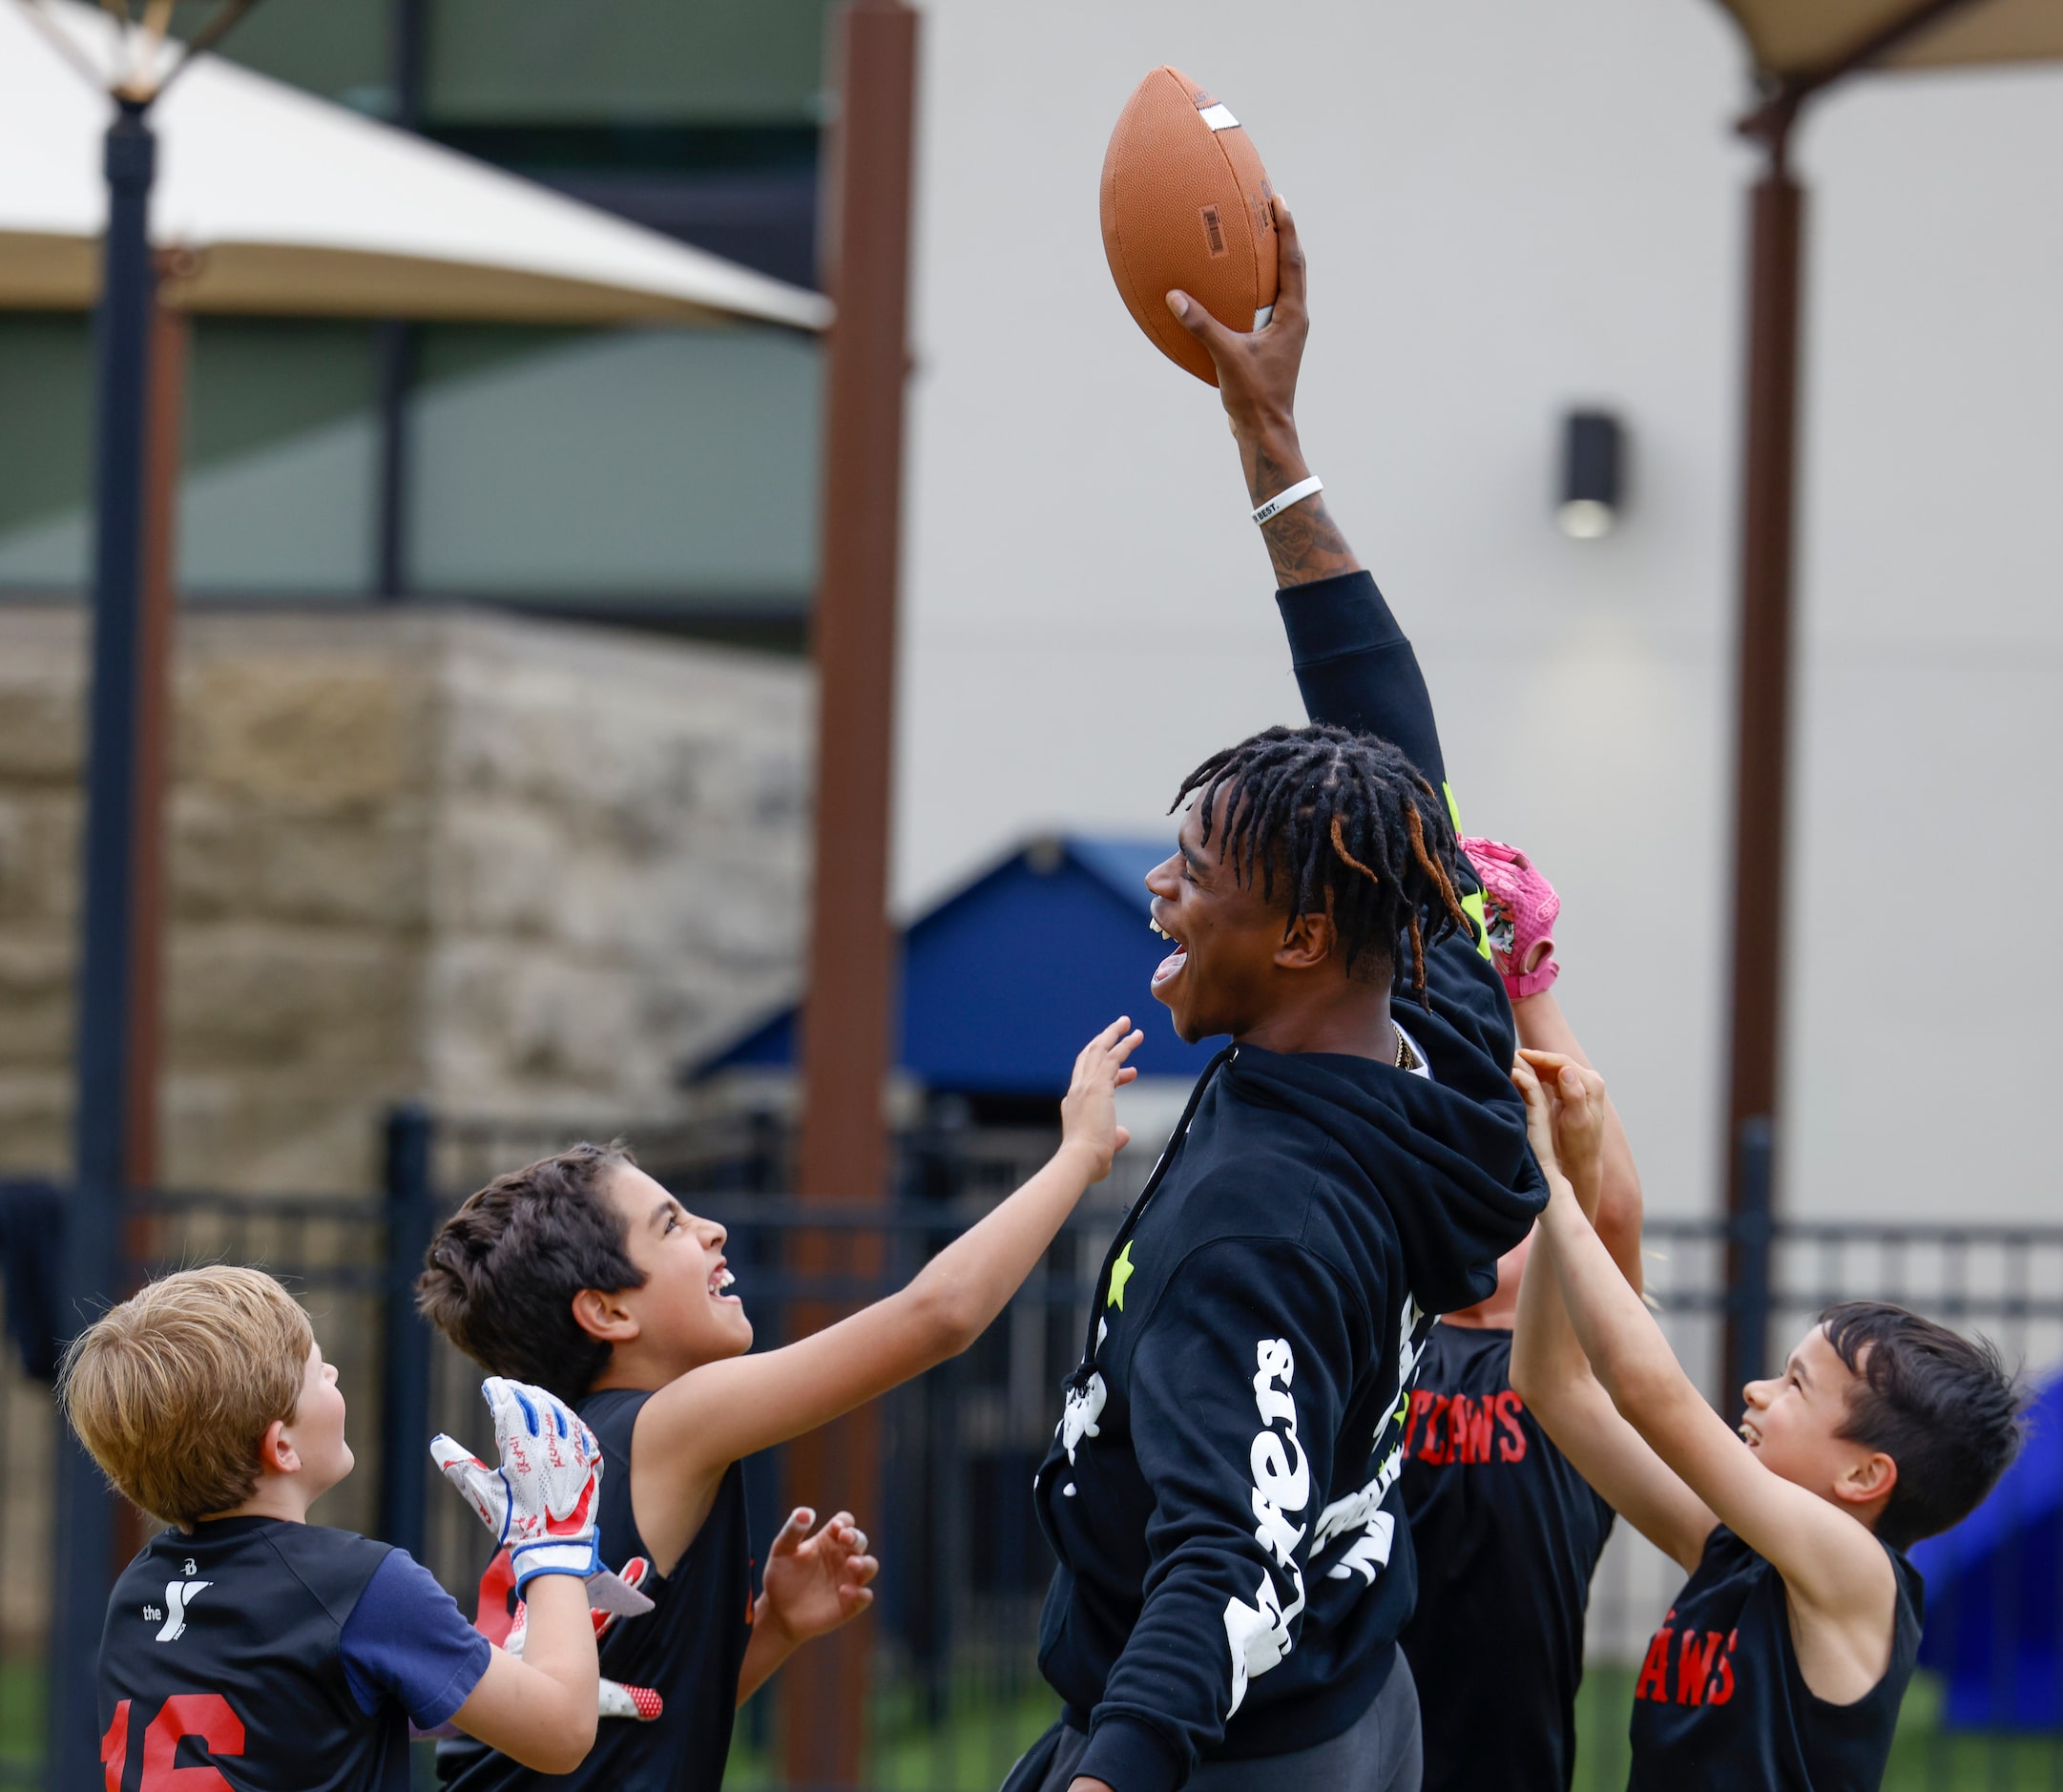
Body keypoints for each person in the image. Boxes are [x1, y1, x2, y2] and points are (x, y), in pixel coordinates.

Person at [1009, 198, 1547, 1792]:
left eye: (1195, 873)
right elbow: (1377, 719)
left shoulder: (1260, 1220)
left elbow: (1226, 1564)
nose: (1160, 891)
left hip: (1222, 1752)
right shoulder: (1429, 1023)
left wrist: (1117, 1766)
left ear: (1306, 937)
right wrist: (1270, 438)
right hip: (1342, 1694)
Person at [418, 1018, 1143, 1791]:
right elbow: (938, 1316)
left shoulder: (594, 1462)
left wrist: (774, 1629)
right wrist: (1077, 1156)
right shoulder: (665, 1426)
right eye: (672, 1225)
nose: (712, 1230)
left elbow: (631, 1723)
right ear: (608, 1314)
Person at [1510, 1051, 2026, 1788]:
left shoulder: (1859, 1578)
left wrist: (1553, 1186)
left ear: (1865, 1474)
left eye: (1794, 1386)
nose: (1756, 1391)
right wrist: (1573, 1183)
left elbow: (1645, 1391)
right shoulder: (1731, 1552)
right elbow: (1552, 1384)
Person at [63, 1265, 603, 1788]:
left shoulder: (136, 1593)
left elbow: (305, 1715)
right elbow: (562, 1733)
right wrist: (552, 1540)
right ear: (281, 1447)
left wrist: (482, 1666)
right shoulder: (364, 1588)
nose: (333, 1374)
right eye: (315, 1370)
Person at [1396, 843, 1645, 1792]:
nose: (1483, 1228)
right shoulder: (1384, 1341)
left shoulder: (1569, 1388)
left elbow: (1607, 1206)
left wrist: (1524, 974)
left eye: (1517, 1216)